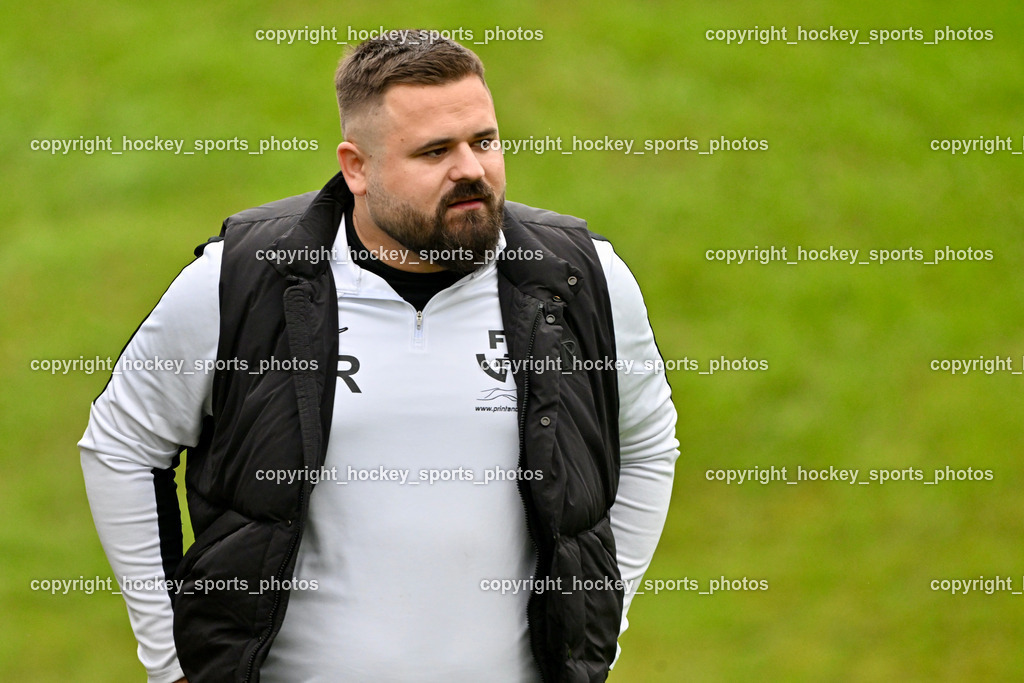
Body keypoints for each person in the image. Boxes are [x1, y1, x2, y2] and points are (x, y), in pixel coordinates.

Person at [80, 31, 679, 683]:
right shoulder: (242, 280)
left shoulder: (580, 278)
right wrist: (171, 661)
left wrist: (597, 632)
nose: (471, 170)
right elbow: (122, 445)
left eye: (484, 141)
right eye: (434, 151)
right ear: (356, 167)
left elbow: (648, 444)